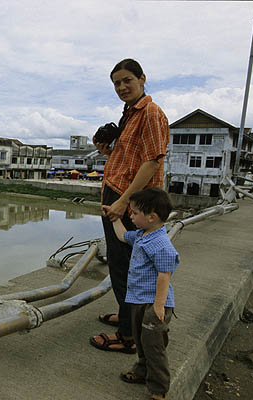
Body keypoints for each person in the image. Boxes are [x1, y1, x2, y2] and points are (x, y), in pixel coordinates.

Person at [90, 58, 170, 354]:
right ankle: (127, 317)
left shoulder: (150, 113)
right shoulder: (130, 114)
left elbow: (151, 162)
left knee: (127, 268)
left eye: (127, 81)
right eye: (116, 83)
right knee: (120, 263)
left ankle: (128, 336)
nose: (122, 87)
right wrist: (107, 150)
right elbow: (131, 157)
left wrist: (124, 203)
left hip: (130, 200)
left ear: (142, 79)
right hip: (119, 195)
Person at [105, 187, 179, 400]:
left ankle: (159, 389)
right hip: (138, 300)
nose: (131, 215)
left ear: (151, 217)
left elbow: (164, 275)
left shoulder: (160, 244)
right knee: (141, 340)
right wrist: (114, 217)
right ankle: (141, 371)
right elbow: (121, 236)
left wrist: (158, 305)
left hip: (154, 304)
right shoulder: (141, 235)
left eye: (135, 213)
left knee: (153, 345)